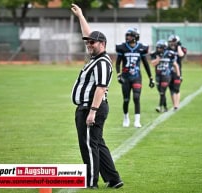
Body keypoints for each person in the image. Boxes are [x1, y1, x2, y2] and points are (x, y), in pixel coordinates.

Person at [71, 4, 123, 189]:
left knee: (88, 145)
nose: (89, 44)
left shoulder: (102, 62)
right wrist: (81, 16)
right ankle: (114, 179)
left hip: (91, 108)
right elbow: (88, 33)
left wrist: (92, 111)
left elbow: (101, 88)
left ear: (102, 44)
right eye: (87, 42)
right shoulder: (96, 57)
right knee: (97, 143)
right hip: (89, 107)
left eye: (92, 42)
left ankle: (91, 182)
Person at [116, 27, 155, 128]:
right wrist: (118, 75)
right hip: (125, 77)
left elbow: (145, 63)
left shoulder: (141, 48)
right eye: (127, 35)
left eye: (130, 35)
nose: (127, 37)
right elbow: (118, 62)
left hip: (137, 77)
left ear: (135, 37)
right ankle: (126, 118)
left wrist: (151, 77)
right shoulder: (123, 47)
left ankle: (137, 120)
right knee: (126, 99)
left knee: (136, 98)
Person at [150, 40, 180, 113]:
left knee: (162, 92)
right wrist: (158, 59)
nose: (158, 49)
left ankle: (159, 106)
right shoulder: (155, 54)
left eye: (160, 48)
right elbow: (152, 64)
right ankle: (165, 107)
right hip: (158, 75)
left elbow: (175, 65)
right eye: (158, 48)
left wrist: (178, 75)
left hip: (167, 75)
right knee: (160, 91)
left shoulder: (170, 54)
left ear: (164, 48)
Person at [167, 35, 187, 110]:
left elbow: (181, 55)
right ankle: (174, 105)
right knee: (171, 89)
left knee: (176, 88)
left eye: (173, 42)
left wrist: (178, 47)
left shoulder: (181, 49)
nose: (171, 43)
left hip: (177, 71)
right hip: (168, 71)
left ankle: (176, 105)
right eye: (170, 42)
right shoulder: (167, 49)